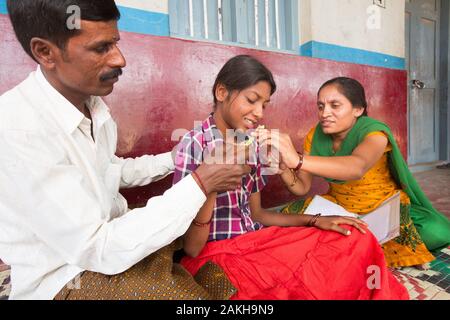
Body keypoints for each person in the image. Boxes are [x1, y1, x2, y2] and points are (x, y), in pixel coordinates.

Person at [0, 0, 250, 300]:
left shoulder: (92, 106)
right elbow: (97, 247)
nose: (120, 59)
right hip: (67, 276)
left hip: (108, 240)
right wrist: (202, 182)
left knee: (210, 262)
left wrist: (174, 159)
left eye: (116, 43)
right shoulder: (18, 129)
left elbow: (108, 171)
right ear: (45, 52)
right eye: (101, 48)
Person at [173, 56, 408, 300]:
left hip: (256, 241)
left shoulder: (248, 142)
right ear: (221, 92)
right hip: (216, 252)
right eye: (252, 101)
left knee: (353, 236)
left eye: (264, 105)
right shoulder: (194, 144)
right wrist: (210, 185)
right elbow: (191, 248)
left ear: (358, 110)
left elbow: (258, 215)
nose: (259, 113)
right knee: (273, 290)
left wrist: (316, 221)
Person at [257, 77, 450, 268]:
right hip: (339, 206)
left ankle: (353, 244)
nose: (325, 113)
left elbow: (356, 167)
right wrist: (283, 169)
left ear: (358, 109)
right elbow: (302, 187)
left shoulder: (375, 134)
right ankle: (360, 243)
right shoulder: (314, 135)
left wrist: (298, 161)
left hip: (381, 206)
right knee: (287, 216)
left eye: (335, 105)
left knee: (437, 231)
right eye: (321, 106)